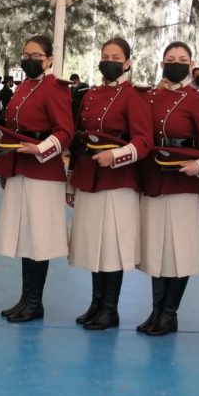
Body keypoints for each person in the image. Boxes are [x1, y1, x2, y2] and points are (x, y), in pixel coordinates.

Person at [67, 37, 152, 330]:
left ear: (127, 63)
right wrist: (71, 181)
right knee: (94, 243)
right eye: (105, 56)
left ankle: (110, 308)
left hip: (118, 180)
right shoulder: (90, 94)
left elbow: (143, 141)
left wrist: (115, 156)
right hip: (89, 176)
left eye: (116, 57)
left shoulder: (134, 95)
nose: (109, 62)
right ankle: (96, 303)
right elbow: (79, 140)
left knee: (112, 245)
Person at [137, 41, 199, 336]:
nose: (176, 63)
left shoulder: (197, 100)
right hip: (152, 177)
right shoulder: (149, 97)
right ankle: (156, 310)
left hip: (183, 180)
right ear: (162, 64)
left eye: (182, 59)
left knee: (179, 249)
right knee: (156, 247)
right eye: (170, 59)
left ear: (191, 64)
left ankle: (169, 313)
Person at [0, 35, 73, 322]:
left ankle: (35, 302)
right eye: (26, 55)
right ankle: (26, 299)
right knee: (26, 236)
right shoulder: (24, 86)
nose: (29, 60)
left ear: (49, 59)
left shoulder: (55, 88)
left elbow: (65, 131)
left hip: (42, 171)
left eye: (36, 56)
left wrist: (40, 149)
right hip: (19, 166)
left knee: (39, 238)